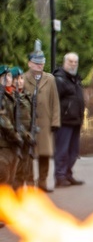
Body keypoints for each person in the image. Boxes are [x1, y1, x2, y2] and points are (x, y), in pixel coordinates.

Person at [22, 40, 60, 193]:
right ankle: (30, 183)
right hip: (28, 123)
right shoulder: (23, 79)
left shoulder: (50, 79)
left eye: (42, 63)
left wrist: (55, 122)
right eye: (37, 63)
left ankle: (43, 182)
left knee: (45, 153)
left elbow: (55, 101)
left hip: (45, 122)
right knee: (29, 154)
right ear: (30, 64)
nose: (40, 65)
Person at [53, 53, 85, 188]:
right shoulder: (59, 79)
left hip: (76, 121)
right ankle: (60, 177)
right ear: (64, 62)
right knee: (62, 151)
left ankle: (67, 174)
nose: (73, 64)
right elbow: (54, 101)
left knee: (74, 151)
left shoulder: (76, 80)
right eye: (70, 61)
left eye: (75, 62)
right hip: (64, 121)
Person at [0, 66, 23, 199]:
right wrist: (15, 135)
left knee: (9, 179)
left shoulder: (10, 95)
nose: (8, 79)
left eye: (9, 76)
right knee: (3, 178)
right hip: (3, 144)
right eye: (4, 77)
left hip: (11, 144)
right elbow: (2, 118)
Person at [9, 67, 34, 190]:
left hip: (29, 136)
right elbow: (13, 120)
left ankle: (31, 196)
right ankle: (16, 195)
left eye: (21, 78)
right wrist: (24, 134)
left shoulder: (27, 95)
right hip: (18, 137)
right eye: (17, 79)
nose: (20, 81)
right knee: (17, 170)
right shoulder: (11, 96)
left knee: (28, 168)